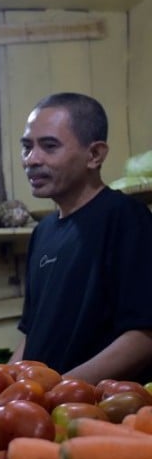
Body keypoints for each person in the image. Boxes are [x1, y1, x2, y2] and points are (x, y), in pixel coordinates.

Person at [9, 92, 152, 383]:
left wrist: (58, 393)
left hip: (102, 415)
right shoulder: (43, 232)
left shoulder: (127, 220)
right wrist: (0, 387)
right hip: (46, 416)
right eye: (27, 147)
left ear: (95, 155)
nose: (31, 159)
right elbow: (32, 335)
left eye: (49, 146)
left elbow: (142, 338)